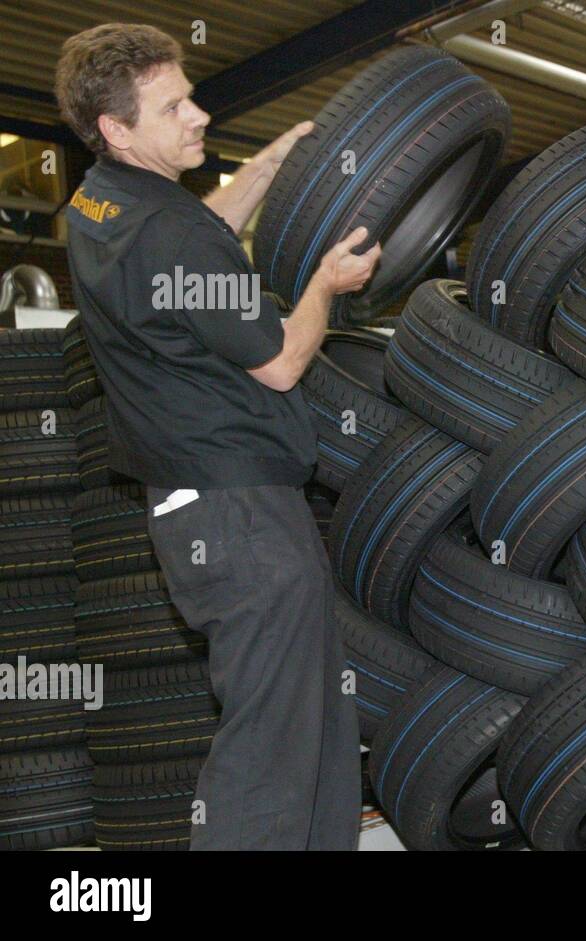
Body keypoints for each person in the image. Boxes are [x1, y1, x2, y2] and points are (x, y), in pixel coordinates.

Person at [54, 22, 382, 850]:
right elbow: (279, 360)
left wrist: (266, 168)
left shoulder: (96, 204)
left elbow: (189, 228)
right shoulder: (170, 236)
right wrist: (325, 286)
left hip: (200, 509)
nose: (199, 114)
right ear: (118, 129)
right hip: (243, 519)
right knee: (273, 741)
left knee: (317, 720)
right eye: (174, 108)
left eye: (191, 94)